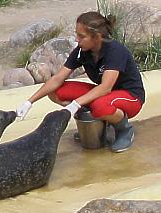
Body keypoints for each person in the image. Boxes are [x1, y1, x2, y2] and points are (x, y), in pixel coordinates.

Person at [16, 11, 145, 153]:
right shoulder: (82, 51)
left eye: (82, 36)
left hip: (131, 97)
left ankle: (124, 129)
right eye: (77, 34)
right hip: (106, 95)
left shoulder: (115, 51)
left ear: (97, 37)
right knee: (56, 91)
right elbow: (58, 78)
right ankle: (95, 123)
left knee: (100, 105)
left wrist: (75, 104)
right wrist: (29, 102)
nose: (77, 39)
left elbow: (105, 88)